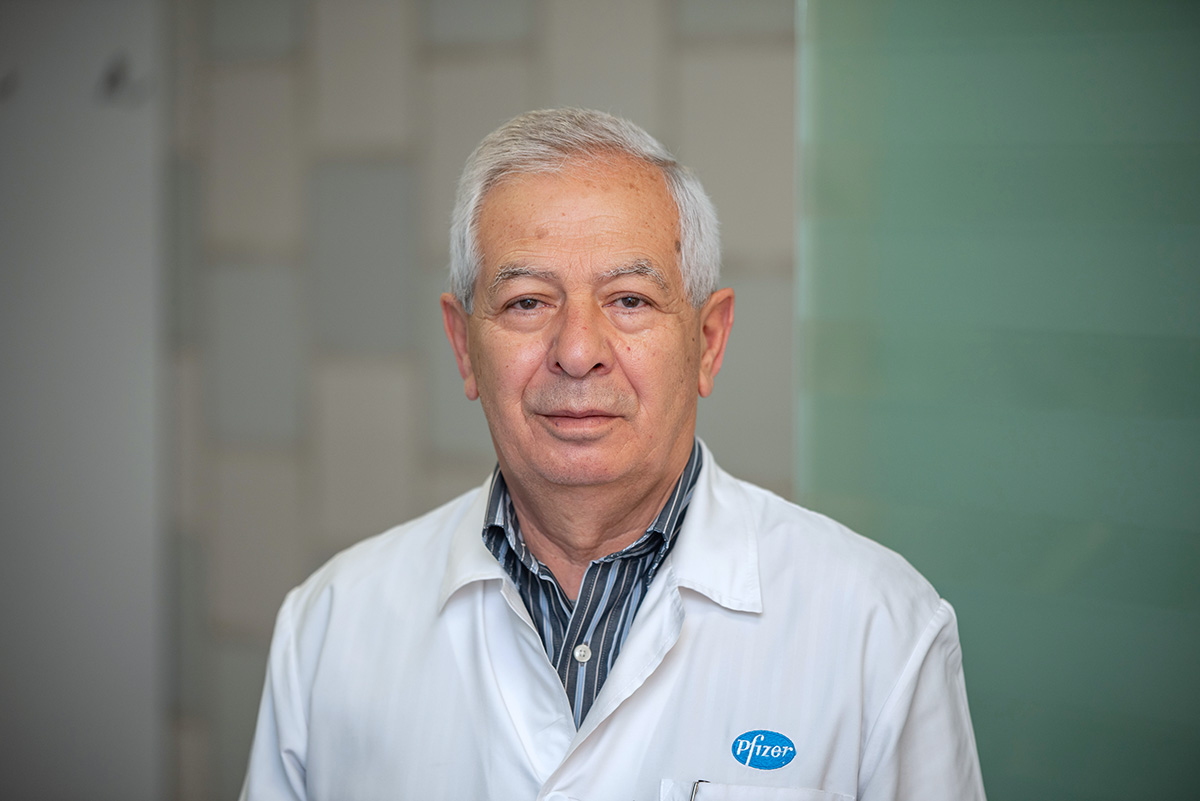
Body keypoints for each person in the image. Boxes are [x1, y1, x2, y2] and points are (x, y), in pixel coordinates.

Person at [240, 108, 986, 800]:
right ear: (464, 346)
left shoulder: (879, 631)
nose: (577, 351)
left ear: (709, 341)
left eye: (629, 299)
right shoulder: (330, 629)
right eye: (527, 301)